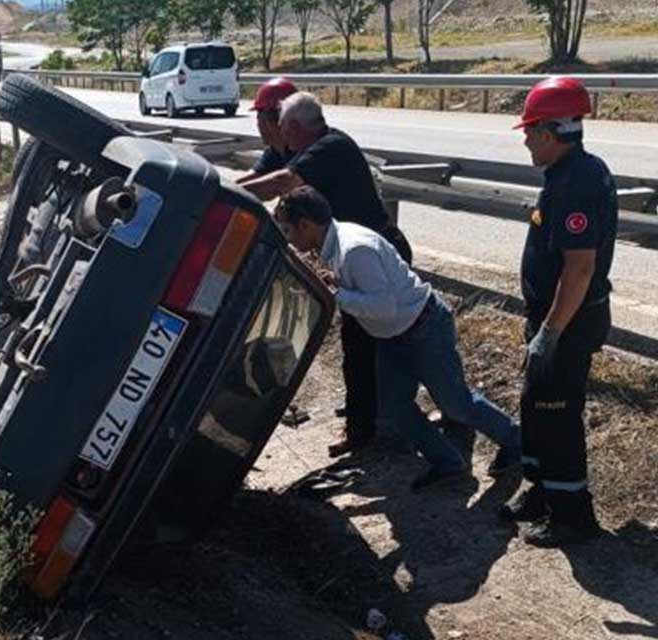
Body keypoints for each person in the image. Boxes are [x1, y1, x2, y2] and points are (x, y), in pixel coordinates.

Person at [275, 186, 522, 491]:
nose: (287, 237)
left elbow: (383, 306)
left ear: (306, 225)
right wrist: (338, 286)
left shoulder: (354, 249)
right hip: (394, 335)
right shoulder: (334, 245)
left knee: (456, 404)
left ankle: (517, 442)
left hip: (423, 327)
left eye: (287, 229)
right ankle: (448, 462)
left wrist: (336, 294)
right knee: (394, 406)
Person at [242, 90, 413, 458]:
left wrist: (224, 196)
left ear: (294, 127)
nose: (282, 141)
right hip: (358, 257)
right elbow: (267, 180)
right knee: (370, 344)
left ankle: (368, 428)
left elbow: (280, 184)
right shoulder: (307, 146)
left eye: (284, 131)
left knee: (380, 342)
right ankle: (374, 416)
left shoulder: (329, 147)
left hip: (375, 255)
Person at [501, 76, 617, 547]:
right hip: (553, 318)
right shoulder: (568, 173)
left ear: (550, 133)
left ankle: (571, 516)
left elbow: (580, 267)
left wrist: (550, 332)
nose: (526, 139)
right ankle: (540, 491)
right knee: (535, 403)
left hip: (568, 323)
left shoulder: (576, 183)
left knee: (557, 411)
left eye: (530, 131)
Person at [235, 77, 296, 186]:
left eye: (259, 116)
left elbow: (271, 187)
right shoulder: (276, 151)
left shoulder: (305, 152)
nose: (258, 123)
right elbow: (250, 178)